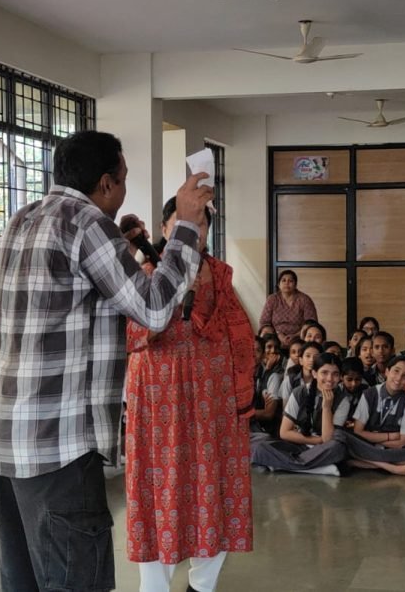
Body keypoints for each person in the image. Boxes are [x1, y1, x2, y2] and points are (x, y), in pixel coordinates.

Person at [0, 130, 212, 592]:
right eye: (123, 179)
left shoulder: (23, 218)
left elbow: (67, 288)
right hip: (58, 444)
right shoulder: (88, 224)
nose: (124, 189)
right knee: (75, 580)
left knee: (24, 581)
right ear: (106, 183)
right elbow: (154, 309)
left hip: (6, 439)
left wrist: (120, 247)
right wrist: (186, 228)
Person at [125, 197, 255, 592]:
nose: (194, 232)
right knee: (157, 491)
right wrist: (170, 295)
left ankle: (202, 585)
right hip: (158, 402)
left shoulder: (220, 277)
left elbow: (240, 336)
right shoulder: (143, 276)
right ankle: (154, 586)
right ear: (165, 229)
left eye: (201, 225)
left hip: (213, 403)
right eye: (184, 222)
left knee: (214, 490)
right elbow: (130, 335)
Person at [251, 353, 350, 476]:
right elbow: (284, 432)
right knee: (259, 448)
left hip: (323, 450)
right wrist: (317, 440)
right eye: (324, 373)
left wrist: (327, 407)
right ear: (314, 373)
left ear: (340, 377)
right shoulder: (300, 392)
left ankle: (285, 466)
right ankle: (316, 469)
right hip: (298, 445)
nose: (330, 379)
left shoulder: (343, 400)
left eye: (335, 374)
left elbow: (327, 440)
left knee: (338, 446)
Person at [339, 356, 405, 477]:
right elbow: (358, 431)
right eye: (396, 371)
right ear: (387, 371)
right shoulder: (369, 394)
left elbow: (404, 442)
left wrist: (375, 440)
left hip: (386, 449)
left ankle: (361, 463)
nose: (399, 378)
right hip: (365, 445)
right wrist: (390, 436)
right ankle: (393, 468)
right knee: (342, 437)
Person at [259, 270, 319, 343]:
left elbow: (311, 323)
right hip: (275, 337)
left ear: (295, 284)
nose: (286, 283)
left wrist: (295, 335)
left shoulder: (304, 299)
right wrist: (278, 334)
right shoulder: (272, 299)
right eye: (283, 280)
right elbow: (264, 322)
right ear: (279, 284)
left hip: (299, 338)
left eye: (290, 281)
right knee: (265, 331)